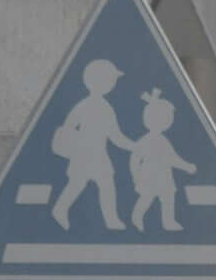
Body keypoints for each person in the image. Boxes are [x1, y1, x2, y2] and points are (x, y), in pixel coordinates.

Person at [50, 59, 131, 228]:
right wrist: (134, 146)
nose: (113, 83)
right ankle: (62, 209)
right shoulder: (99, 107)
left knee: (96, 185)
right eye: (112, 80)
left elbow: (114, 136)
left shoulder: (90, 106)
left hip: (94, 156)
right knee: (91, 185)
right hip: (87, 155)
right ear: (105, 82)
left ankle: (109, 219)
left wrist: (132, 146)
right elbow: (115, 136)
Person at [126, 89, 186, 234]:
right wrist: (136, 175)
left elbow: (172, 158)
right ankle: (137, 216)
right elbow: (134, 158)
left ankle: (168, 221)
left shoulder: (163, 141)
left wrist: (186, 166)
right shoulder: (145, 141)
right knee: (147, 197)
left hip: (164, 176)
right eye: (167, 117)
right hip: (150, 176)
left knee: (168, 197)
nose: (169, 120)